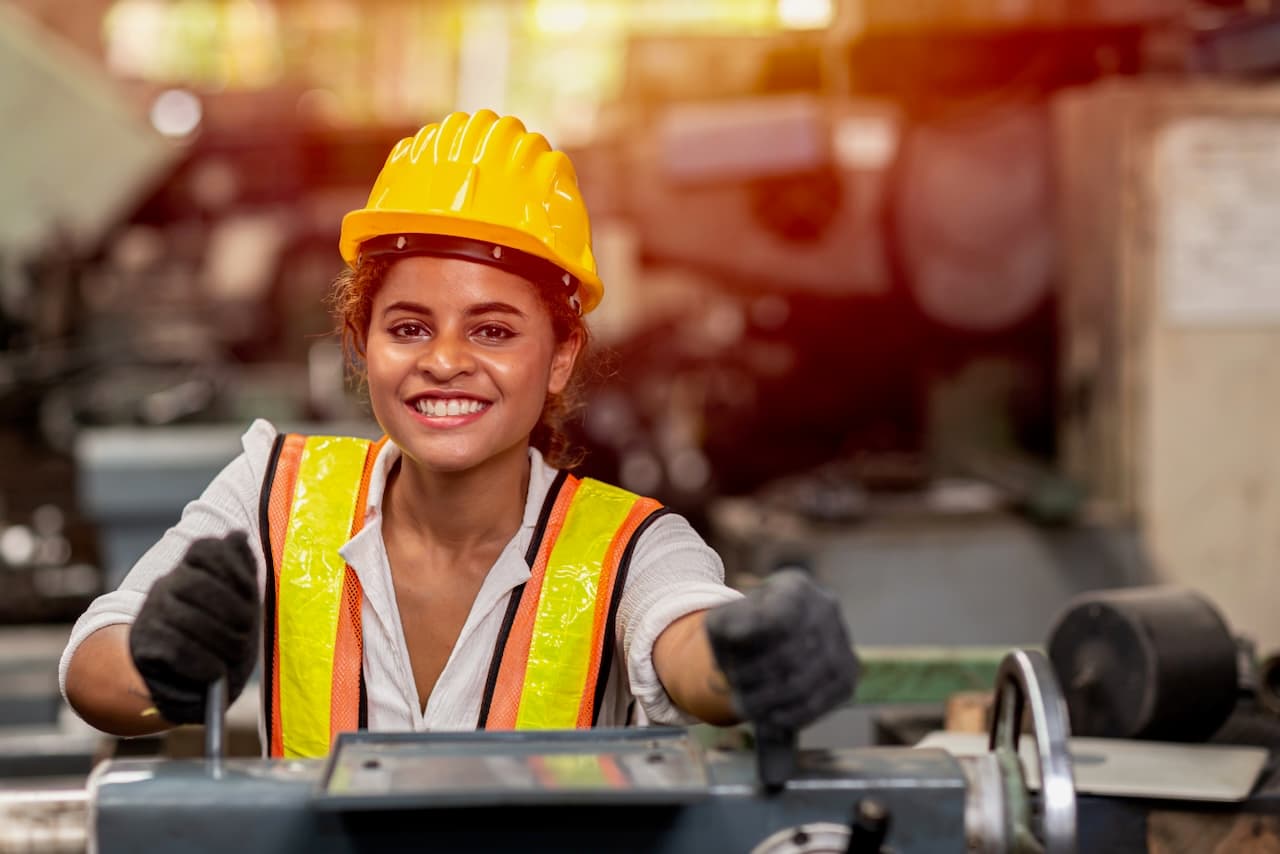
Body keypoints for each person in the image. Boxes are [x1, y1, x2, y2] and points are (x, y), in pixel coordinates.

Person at [60, 110, 856, 758]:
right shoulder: (273, 489)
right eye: (408, 326)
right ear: (360, 343)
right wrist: (162, 664)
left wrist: (751, 654)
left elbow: (689, 642)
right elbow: (94, 665)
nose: (444, 361)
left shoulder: (634, 546)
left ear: (559, 358)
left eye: (494, 332)